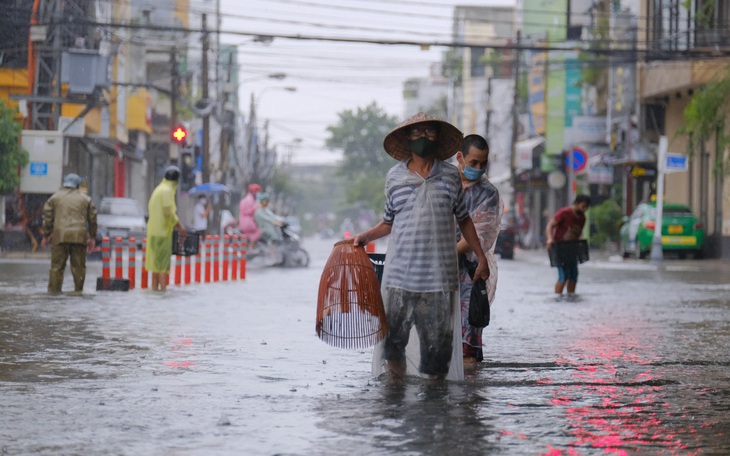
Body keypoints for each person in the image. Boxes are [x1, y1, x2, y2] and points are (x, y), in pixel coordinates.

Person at [352, 112, 490, 382]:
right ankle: (396, 395)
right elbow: (388, 222)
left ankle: (433, 405)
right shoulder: (394, 178)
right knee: (393, 344)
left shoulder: (450, 177)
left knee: (437, 350)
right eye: (417, 132)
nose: (423, 136)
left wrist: (482, 258)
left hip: (438, 281)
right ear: (408, 138)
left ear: (437, 138)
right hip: (399, 278)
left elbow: (464, 219)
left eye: (429, 131)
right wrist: (365, 236)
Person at [453, 134, 503, 364]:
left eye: (483, 163)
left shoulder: (488, 194)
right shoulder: (445, 183)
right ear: (460, 157)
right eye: (473, 163)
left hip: (471, 272)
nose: (479, 168)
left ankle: (470, 396)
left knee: (468, 343)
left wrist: (443, 256)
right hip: (434, 271)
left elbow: (478, 235)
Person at [41, 173, 98, 294]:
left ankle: (54, 293)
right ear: (77, 185)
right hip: (79, 237)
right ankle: (78, 291)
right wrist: (92, 237)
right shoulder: (85, 199)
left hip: (59, 236)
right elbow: (93, 219)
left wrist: (46, 235)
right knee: (79, 268)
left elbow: (47, 217)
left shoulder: (54, 198)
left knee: (56, 268)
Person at [146, 165, 187, 291]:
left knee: (155, 267)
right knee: (163, 267)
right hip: (162, 234)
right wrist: (180, 227)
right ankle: (163, 293)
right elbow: (168, 212)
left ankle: (154, 291)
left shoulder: (158, 189)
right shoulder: (167, 191)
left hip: (152, 233)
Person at [545, 194, 592, 296]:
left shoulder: (582, 218)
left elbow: (578, 233)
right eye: (583, 206)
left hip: (572, 249)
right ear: (576, 203)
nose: (584, 209)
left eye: (586, 207)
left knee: (573, 276)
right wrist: (550, 238)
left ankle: (571, 297)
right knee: (563, 276)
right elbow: (550, 225)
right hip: (560, 248)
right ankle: (558, 298)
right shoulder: (564, 213)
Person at [239, 183, 262, 249]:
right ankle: (251, 246)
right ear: (254, 192)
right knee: (260, 231)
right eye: (258, 192)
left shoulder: (246, 199)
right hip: (248, 222)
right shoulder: (250, 200)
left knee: (247, 235)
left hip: (243, 222)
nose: (258, 194)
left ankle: (245, 248)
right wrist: (257, 206)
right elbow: (250, 211)